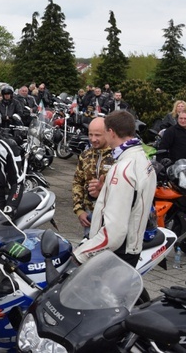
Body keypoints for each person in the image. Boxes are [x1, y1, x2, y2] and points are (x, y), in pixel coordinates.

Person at [73, 110, 155, 266]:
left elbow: (114, 233)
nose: (94, 139)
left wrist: (80, 255)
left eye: (102, 133)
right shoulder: (143, 159)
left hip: (118, 251)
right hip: (131, 245)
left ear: (111, 132)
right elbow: (132, 200)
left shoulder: (123, 168)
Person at [71, 117, 114, 237]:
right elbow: (77, 182)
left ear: (108, 133)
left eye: (97, 135)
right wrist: (79, 210)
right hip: (90, 215)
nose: (93, 139)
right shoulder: (85, 155)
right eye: (90, 135)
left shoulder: (117, 156)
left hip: (111, 216)